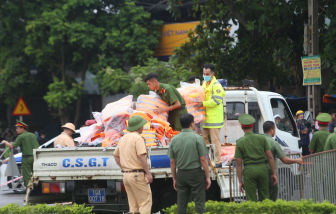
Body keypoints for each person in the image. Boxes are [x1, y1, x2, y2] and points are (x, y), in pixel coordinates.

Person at [167, 113, 211, 214]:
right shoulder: (197, 138)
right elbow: (203, 159)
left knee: (181, 204)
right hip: (195, 173)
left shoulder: (174, 139)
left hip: (181, 174)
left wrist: (174, 178)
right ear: (192, 124)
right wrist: (208, 176)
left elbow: (172, 161)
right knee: (199, 203)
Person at [113, 115, 153, 214]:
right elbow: (141, 156)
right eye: (142, 125)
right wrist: (148, 173)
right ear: (139, 127)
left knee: (133, 206)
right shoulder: (138, 138)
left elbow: (115, 155)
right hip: (137, 175)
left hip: (126, 175)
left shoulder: (123, 138)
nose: (143, 127)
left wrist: (124, 168)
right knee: (145, 203)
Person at [234, 114, 277, 201]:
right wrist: (274, 173)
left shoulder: (240, 142)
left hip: (249, 170)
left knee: (251, 200)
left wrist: (240, 181)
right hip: (262, 169)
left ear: (242, 127)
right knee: (265, 199)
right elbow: (270, 157)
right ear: (253, 126)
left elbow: (239, 164)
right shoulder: (262, 138)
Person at [263, 121, 303, 201]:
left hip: (259, 171)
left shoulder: (258, 140)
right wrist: (297, 160)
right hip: (269, 172)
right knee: (272, 196)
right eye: (274, 129)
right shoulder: (273, 143)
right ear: (271, 130)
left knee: (262, 196)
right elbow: (284, 160)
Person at [195, 64, 225, 168]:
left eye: (207, 74)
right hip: (205, 118)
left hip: (214, 119)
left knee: (215, 140)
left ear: (213, 74)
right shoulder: (204, 84)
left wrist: (203, 104)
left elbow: (217, 100)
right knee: (203, 138)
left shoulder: (216, 85)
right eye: (203, 74)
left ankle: (217, 161)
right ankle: (209, 158)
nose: (205, 75)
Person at [1, 120, 39, 187]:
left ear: (22, 128)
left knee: (26, 176)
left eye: (17, 128)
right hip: (35, 158)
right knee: (35, 174)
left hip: (26, 159)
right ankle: (37, 188)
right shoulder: (33, 135)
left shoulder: (21, 136)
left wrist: (5, 142)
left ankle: (29, 190)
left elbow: (12, 146)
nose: (16, 130)